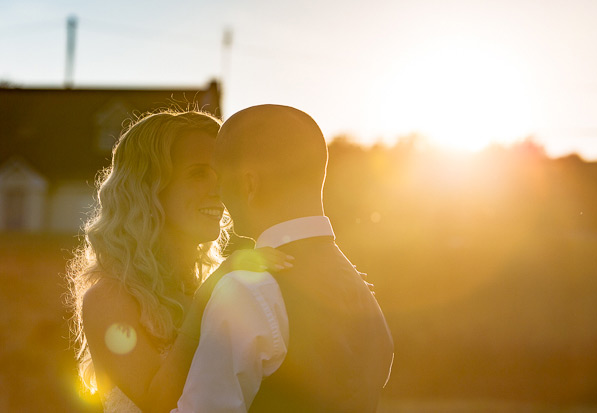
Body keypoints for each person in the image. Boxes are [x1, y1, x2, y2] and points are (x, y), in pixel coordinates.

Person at [66, 110, 293, 412]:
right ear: (148, 188)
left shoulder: (215, 284)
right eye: (198, 173)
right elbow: (158, 402)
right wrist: (210, 294)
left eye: (220, 174)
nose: (218, 189)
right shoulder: (108, 299)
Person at [175, 104, 394, 412]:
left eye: (220, 177)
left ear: (249, 185)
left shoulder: (246, 290)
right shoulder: (362, 292)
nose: (218, 193)